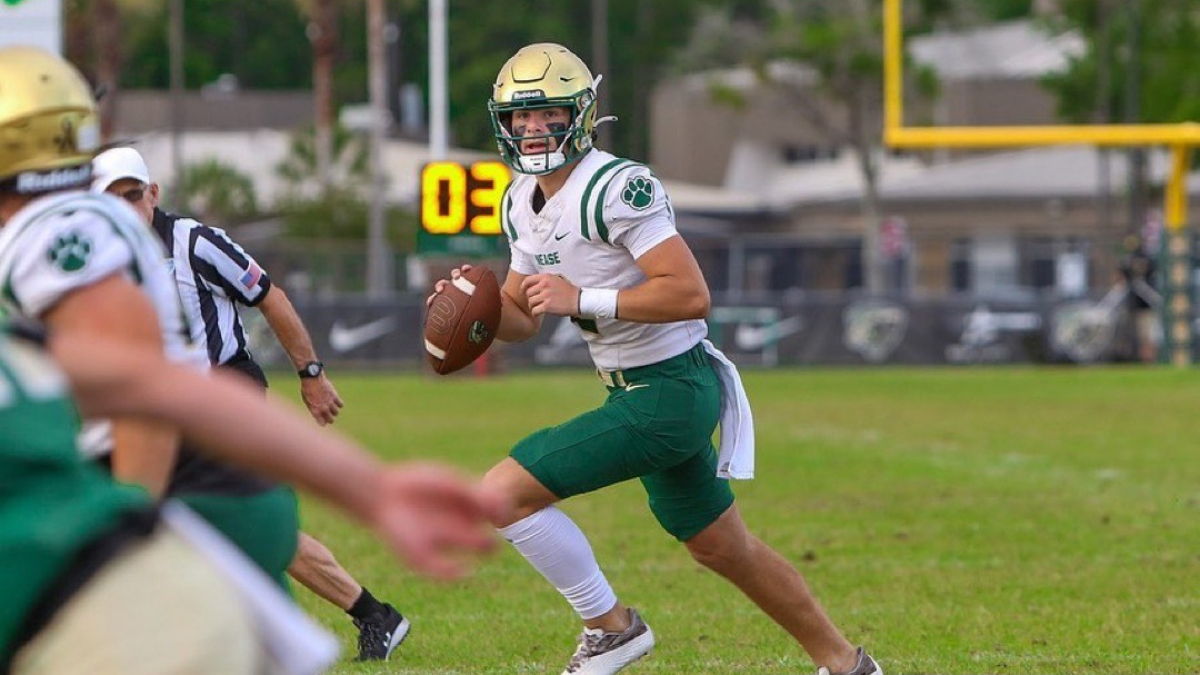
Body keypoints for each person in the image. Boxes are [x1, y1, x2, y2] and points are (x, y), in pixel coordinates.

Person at [429, 43, 881, 675]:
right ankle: (848, 664)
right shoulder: (518, 198)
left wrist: (582, 297)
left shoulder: (617, 186)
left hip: (667, 389)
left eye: (547, 113)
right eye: (519, 117)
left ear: (579, 114)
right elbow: (523, 319)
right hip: (637, 392)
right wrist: (471, 308)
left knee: (502, 494)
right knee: (725, 549)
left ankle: (611, 628)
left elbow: (691, 294)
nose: (532, 129)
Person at [0, 43, 297, 651]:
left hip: (184, 488)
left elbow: (145, 397)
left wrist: (123, 544)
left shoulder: (57, 236)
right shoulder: (66, 223)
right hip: (199, 478)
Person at [0, 319, 506, 674]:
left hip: (98, 639)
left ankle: (374, 615)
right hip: (179, 608)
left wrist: (374, 488)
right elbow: (169, 387)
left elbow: (166, 387)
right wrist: (372, 490)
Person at [91, 147, 408, 661]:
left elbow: (270, 297)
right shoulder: (99, 258)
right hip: (163, 408)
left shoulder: (194, 242)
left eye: (133, 196)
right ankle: (371, 617)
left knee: (230, 521)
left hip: (226, 396)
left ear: (154, 194)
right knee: (191, 521)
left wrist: (311, 374)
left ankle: (347, 623)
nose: (125, 209)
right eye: (111, 200)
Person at [1117, 233, 1161, 363]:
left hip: (1145, 305)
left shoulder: (1146, 259)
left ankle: (1148, 360)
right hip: (1131, 304)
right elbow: (1120, 277)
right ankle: (1131, 358)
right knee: (1131, 334)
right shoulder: (1126, 260)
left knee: (1147, 335)